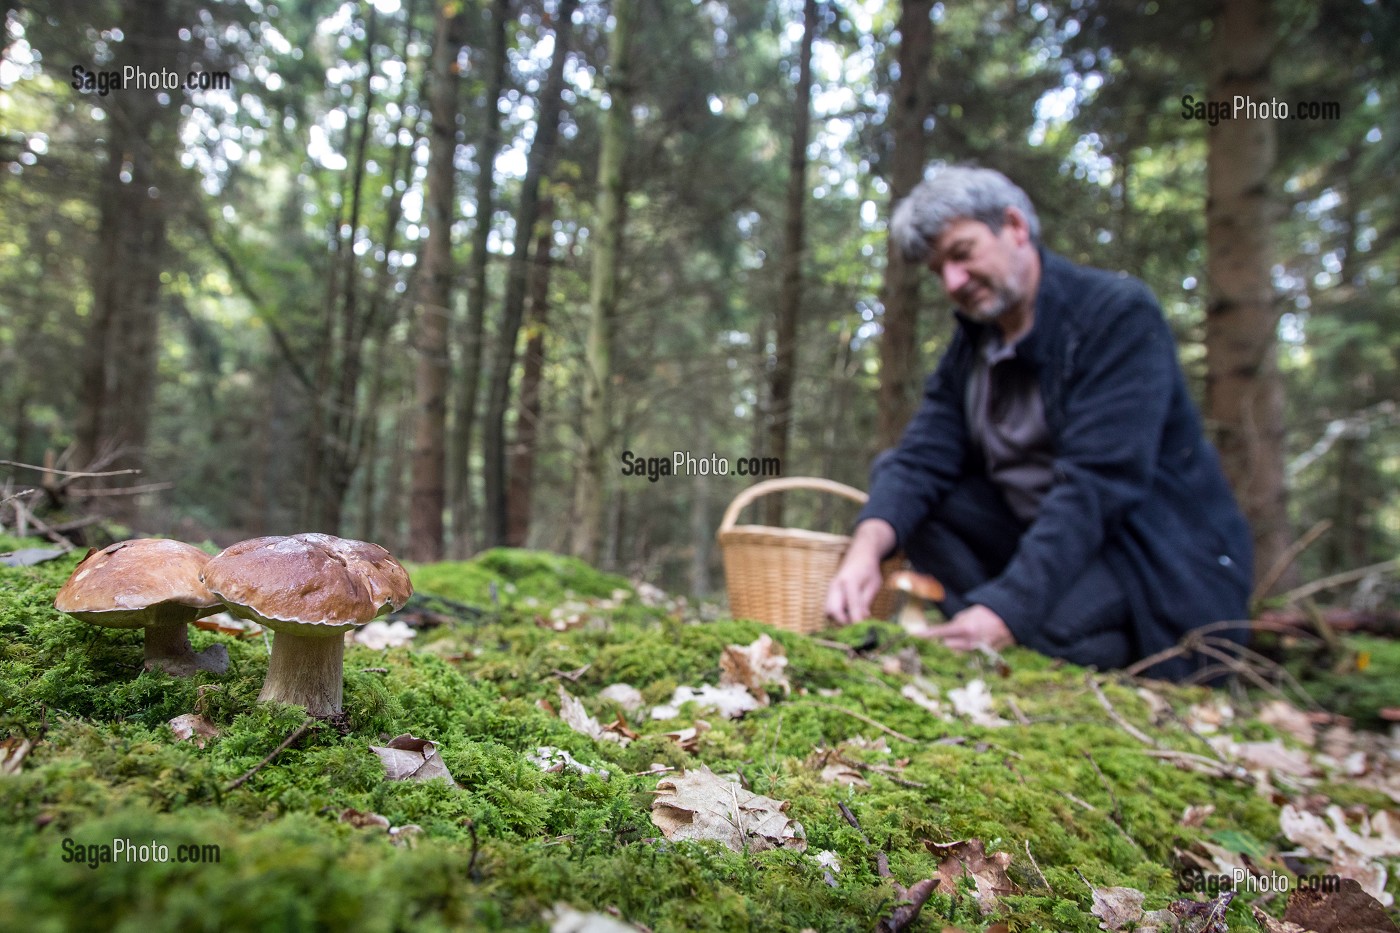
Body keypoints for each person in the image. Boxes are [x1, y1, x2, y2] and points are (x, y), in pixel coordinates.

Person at [824, 165, 1253, 681]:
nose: (953, 282)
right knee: (905, 490)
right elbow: (919, 459)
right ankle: (987, 631)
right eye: (939, 271)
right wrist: (866, 547)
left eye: (961, 254)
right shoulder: (972, 349)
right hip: (1043, 548)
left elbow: (1097, 487)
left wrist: (1009, 608)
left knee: (1048, 635)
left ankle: (1057, 642)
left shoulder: (1115, 316)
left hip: (1147, 558)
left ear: (1016, 227)